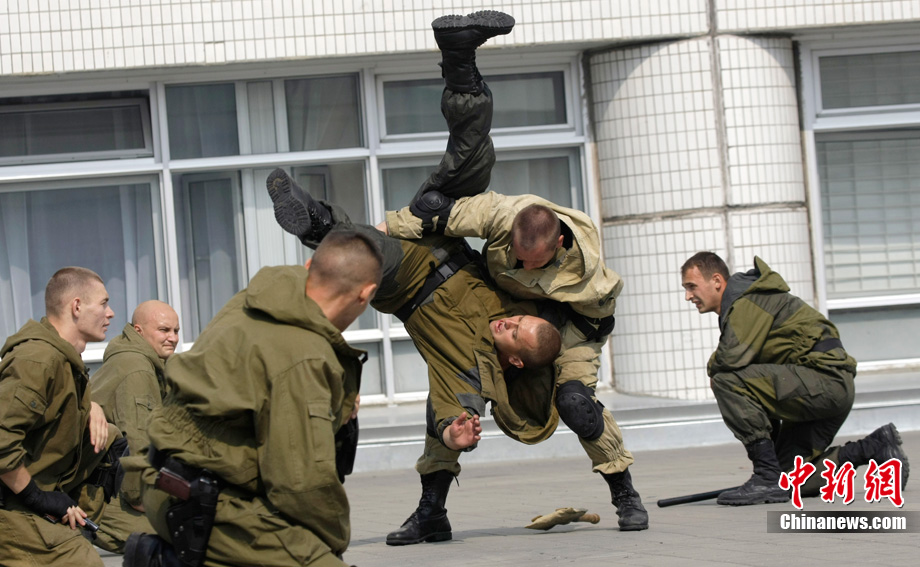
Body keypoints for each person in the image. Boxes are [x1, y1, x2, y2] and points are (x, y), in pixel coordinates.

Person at [382, 10, 647, 531]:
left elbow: (589, 330)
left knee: (576, 405)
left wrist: (565, 365)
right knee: (457, 173)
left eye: (531, 262)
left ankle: (625, 492)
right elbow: (439, 213)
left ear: (557, 245)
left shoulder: (587, 278)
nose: (520, 263)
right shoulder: (506, 216)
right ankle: (459, 57)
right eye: (516, 255)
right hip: (500, 306)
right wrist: (380, 229)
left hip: (568, 331)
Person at [268, 163, 564, 546]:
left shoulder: (473, 368)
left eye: (514, 332)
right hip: (435, 238)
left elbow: (457, 409)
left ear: (517, 360)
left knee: (366, 252)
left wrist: (455, 434)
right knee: (464, 167)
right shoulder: (518, 300)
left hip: (405, 281)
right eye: (518, 319)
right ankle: (471, 122)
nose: (508, 322)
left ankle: (316, 222)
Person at [121, 229, 383, 567]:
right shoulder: (303, 356)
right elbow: (300, 485)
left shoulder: (255, 301)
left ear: (309, 267)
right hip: (201, 504)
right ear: (366, 294)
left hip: (166, 479)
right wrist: (332, 541)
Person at [680, 251, 910, 505]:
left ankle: (766, 477)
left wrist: (714, 372)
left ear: (716, 280)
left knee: (726, 380)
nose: (688, 296)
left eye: (691, 286)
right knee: (789, 479)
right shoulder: (743, 303)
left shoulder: (748, 301)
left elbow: (729, 359)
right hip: (823, 386)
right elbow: (756, 384)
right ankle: (875, 447)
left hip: (824, 382)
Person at [0, 266, 121, 566]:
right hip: (13, 504)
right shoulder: (38, 360)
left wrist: (92, 407)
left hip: (41, 494)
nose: (111, 313)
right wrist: (38, 498)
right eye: (104, 303)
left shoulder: (67, 360)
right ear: (76, 306)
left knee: (113, 439)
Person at [90, 300, 180, 553]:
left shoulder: (148, 362)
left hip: (111, 476)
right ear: (139, 331)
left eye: (176, 331)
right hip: (95, 486)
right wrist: (141, 498)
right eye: (164, 330)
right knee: (171, 540)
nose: (173, 338)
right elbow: (138, 438)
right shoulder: (137, 369)